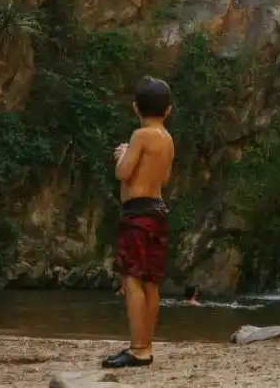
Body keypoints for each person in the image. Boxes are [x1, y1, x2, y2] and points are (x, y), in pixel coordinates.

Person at [102, 77, 175, 369]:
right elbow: (165, 178)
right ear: (168, 110)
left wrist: (121, 156)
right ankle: (147, 344)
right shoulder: (168, 139)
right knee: (151, 282)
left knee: (131, 280)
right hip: (157, 211)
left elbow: (124, 173)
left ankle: (137, 349)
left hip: (138, 213)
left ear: (136, 108)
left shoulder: (141, 135)